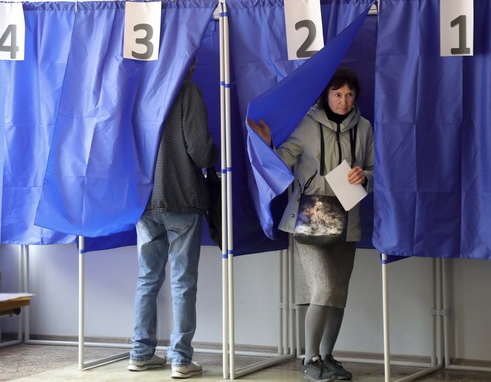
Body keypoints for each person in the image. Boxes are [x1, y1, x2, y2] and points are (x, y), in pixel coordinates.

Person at [248, 66, 374, 381]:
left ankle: (329, 357)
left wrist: (366, 176)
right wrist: (266, 146)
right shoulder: (306, 125)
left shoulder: (366, 128)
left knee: (338, 293)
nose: (344, 101)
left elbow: (374, 168)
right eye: (337, 94)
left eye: (349, 94)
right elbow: (280, 165)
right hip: (309, 218)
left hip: (348, 217)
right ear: (326, 95)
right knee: (324, 288)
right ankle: (310, 358)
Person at [128, 59, 218, 379]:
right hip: (181, 197)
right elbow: (199, 149)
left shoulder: (140, 93)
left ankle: (140, 353)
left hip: (144, 201)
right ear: (190, 63)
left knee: (147, 279)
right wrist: (215, 154)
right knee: (182, 282)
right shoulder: (187, 92)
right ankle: (180, 359)